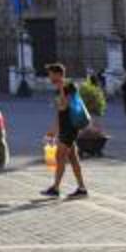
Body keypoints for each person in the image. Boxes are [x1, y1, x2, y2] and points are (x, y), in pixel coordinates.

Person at [41, 63, 88, 199]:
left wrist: (61, 88)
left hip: (70, 127)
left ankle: (55, 188)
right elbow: (59, 113)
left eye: (50, 73)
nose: (49, 77)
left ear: (58, 74)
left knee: (59, 156)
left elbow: (64, 106)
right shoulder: (59, 89)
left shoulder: (70, 87)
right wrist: (53, 130)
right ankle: (82, 188)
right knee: (73, 157)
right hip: (65, 127)